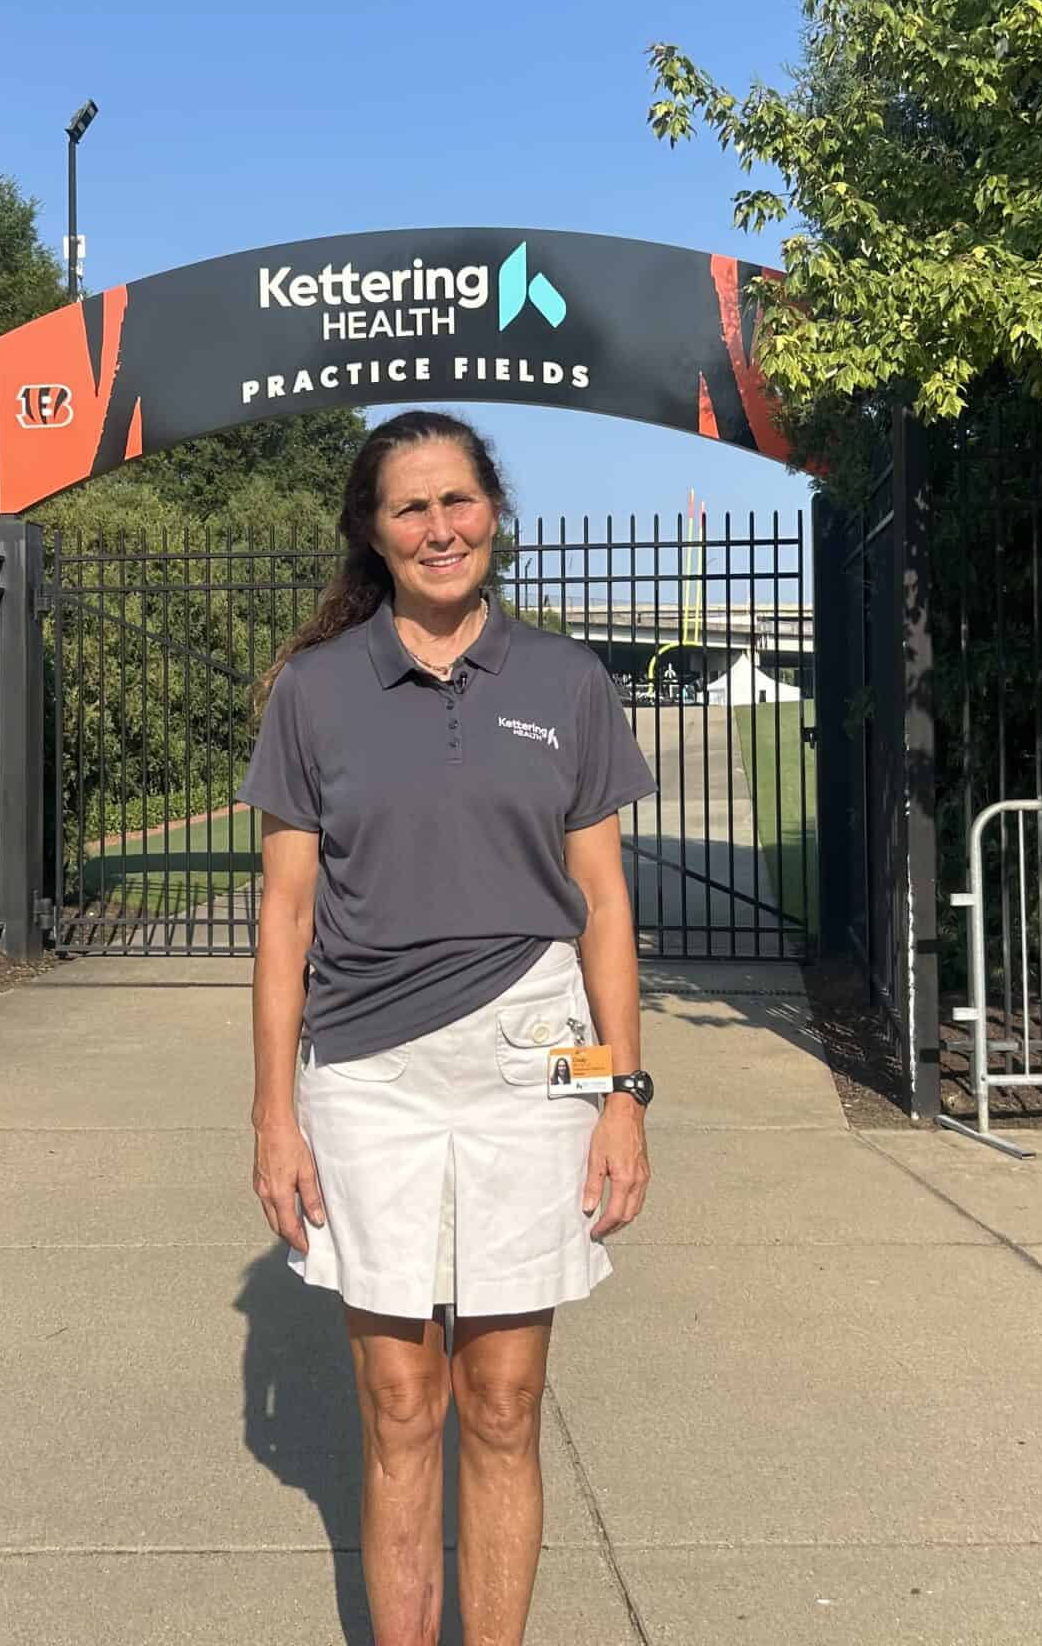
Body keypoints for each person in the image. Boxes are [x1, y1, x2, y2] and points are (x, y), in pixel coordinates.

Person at [240, 409, 657, 1646]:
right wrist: (275, 1115)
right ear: (373, 535)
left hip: (538, 1057)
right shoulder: (313, 691)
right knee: (400, 1401)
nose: (440, 527)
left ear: (495, 514)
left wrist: (621, 1097)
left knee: (504, 1398)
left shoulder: (567, 682)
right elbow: (283, 921)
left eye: (458, 501)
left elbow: (603, 909)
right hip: (366, 1075)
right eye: (410, 507)